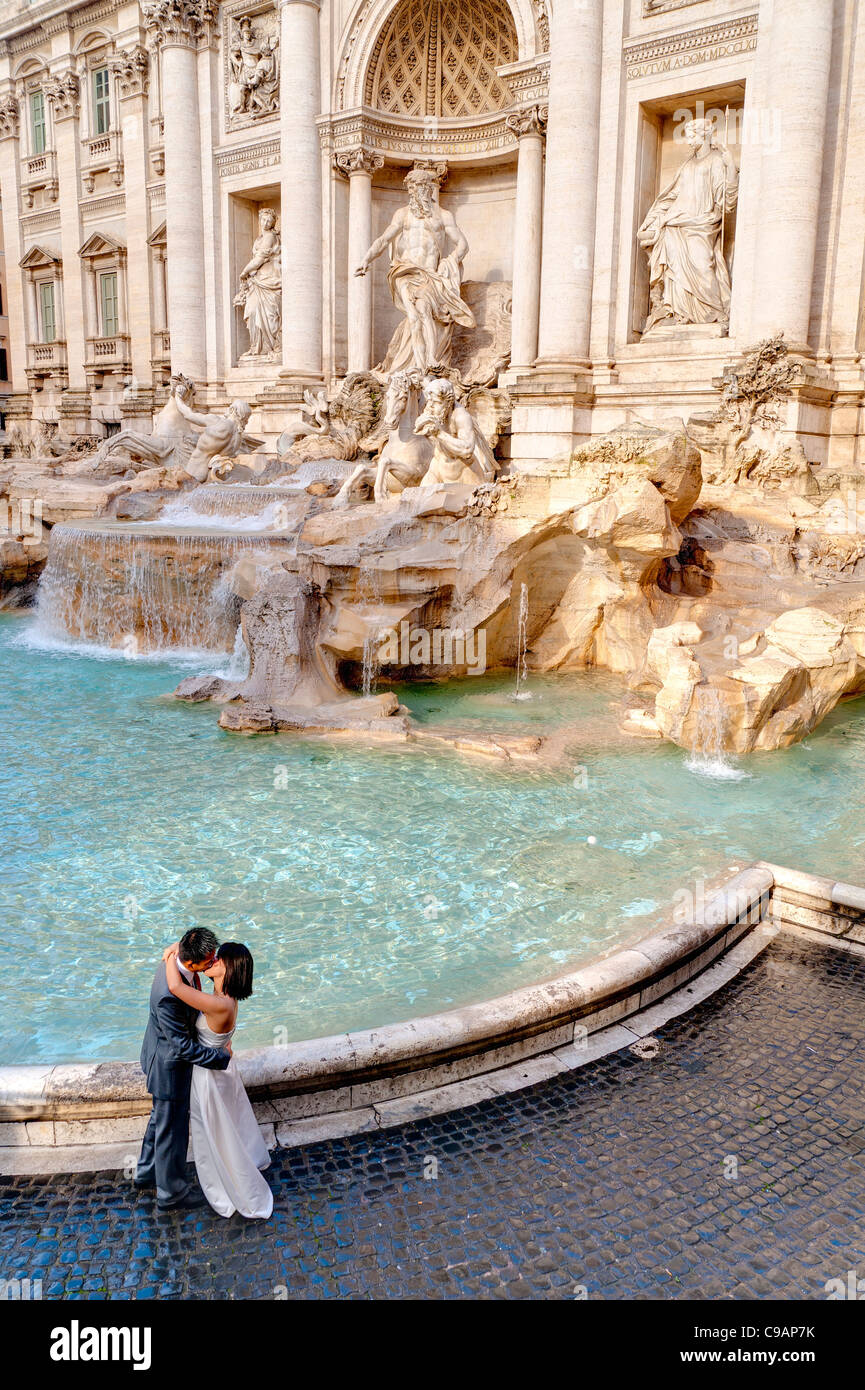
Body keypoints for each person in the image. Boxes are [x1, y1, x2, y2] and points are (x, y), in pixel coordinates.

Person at [162, 939, 273, 1220]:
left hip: (208, 1076)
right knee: (229, 1127)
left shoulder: (219, 1004)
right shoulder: (223, 997)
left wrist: (171, 954)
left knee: (213, 1131)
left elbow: (175, 987)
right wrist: (181, 945)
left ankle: (230, 1184)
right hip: (221, 1070)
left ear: (230, 968)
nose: (212, 961)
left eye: (219, 960)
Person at [136, 927, 231, 1211]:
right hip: (169, 1068)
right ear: (190, 964)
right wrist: (220, 1057)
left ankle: (145, 1172)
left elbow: (181, 945)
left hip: (157, 1055)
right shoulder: (168, 995)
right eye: (208, 960)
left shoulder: (178, 959)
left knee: (159, 1121)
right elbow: (182, 1048)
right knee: (172, 1130)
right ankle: (171, 1193)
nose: (212, 962)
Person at [355, 163, 475, 374]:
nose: (413, 192)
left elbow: (463, 244)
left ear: (428, 188)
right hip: (405, 271)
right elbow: (384, 240)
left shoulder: (444, 215)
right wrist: (367, 259)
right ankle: (420, 366)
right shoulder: (402, 214)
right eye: (410, 188)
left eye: (417, 187)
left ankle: (430, 359)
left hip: (429, 274)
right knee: (413, 315)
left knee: (424, 311)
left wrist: (449, 263)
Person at [637, 117, 738, 331]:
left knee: (703, 265)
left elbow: (725, 200)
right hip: (676, 223)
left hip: (702, 223)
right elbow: (672, 194)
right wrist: (653, 220)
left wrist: (730, 168)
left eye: (693, 136)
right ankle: (679, 311)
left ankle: (715, 312)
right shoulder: (687, 164)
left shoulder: (717, 161)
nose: (689, 140)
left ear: (705, 135)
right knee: (674, 268)